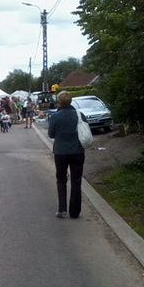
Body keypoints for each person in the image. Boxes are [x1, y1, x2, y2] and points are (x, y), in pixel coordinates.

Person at [48, 91, 87, 219]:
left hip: (61, 152)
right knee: (76, 180)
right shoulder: (79, 114)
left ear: (59, 102)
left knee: (61, 180)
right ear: (70, 101)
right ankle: (75, 211)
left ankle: (62, 209)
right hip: (77, 151)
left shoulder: (55, 116)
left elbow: (51, 134)